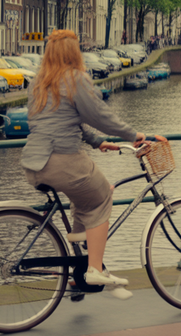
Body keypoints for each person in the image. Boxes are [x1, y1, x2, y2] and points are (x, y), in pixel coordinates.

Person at [21, 30, 165, 300]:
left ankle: (80, 250)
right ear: (73, 52)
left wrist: (98, 142)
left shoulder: (38, 82)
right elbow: (99, 115)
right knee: (102, 194)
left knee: (87, 191)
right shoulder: (75, 78)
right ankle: (95, 270)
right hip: (61, 158)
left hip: (34, 163)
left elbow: (68, 120)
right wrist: (133, 135)